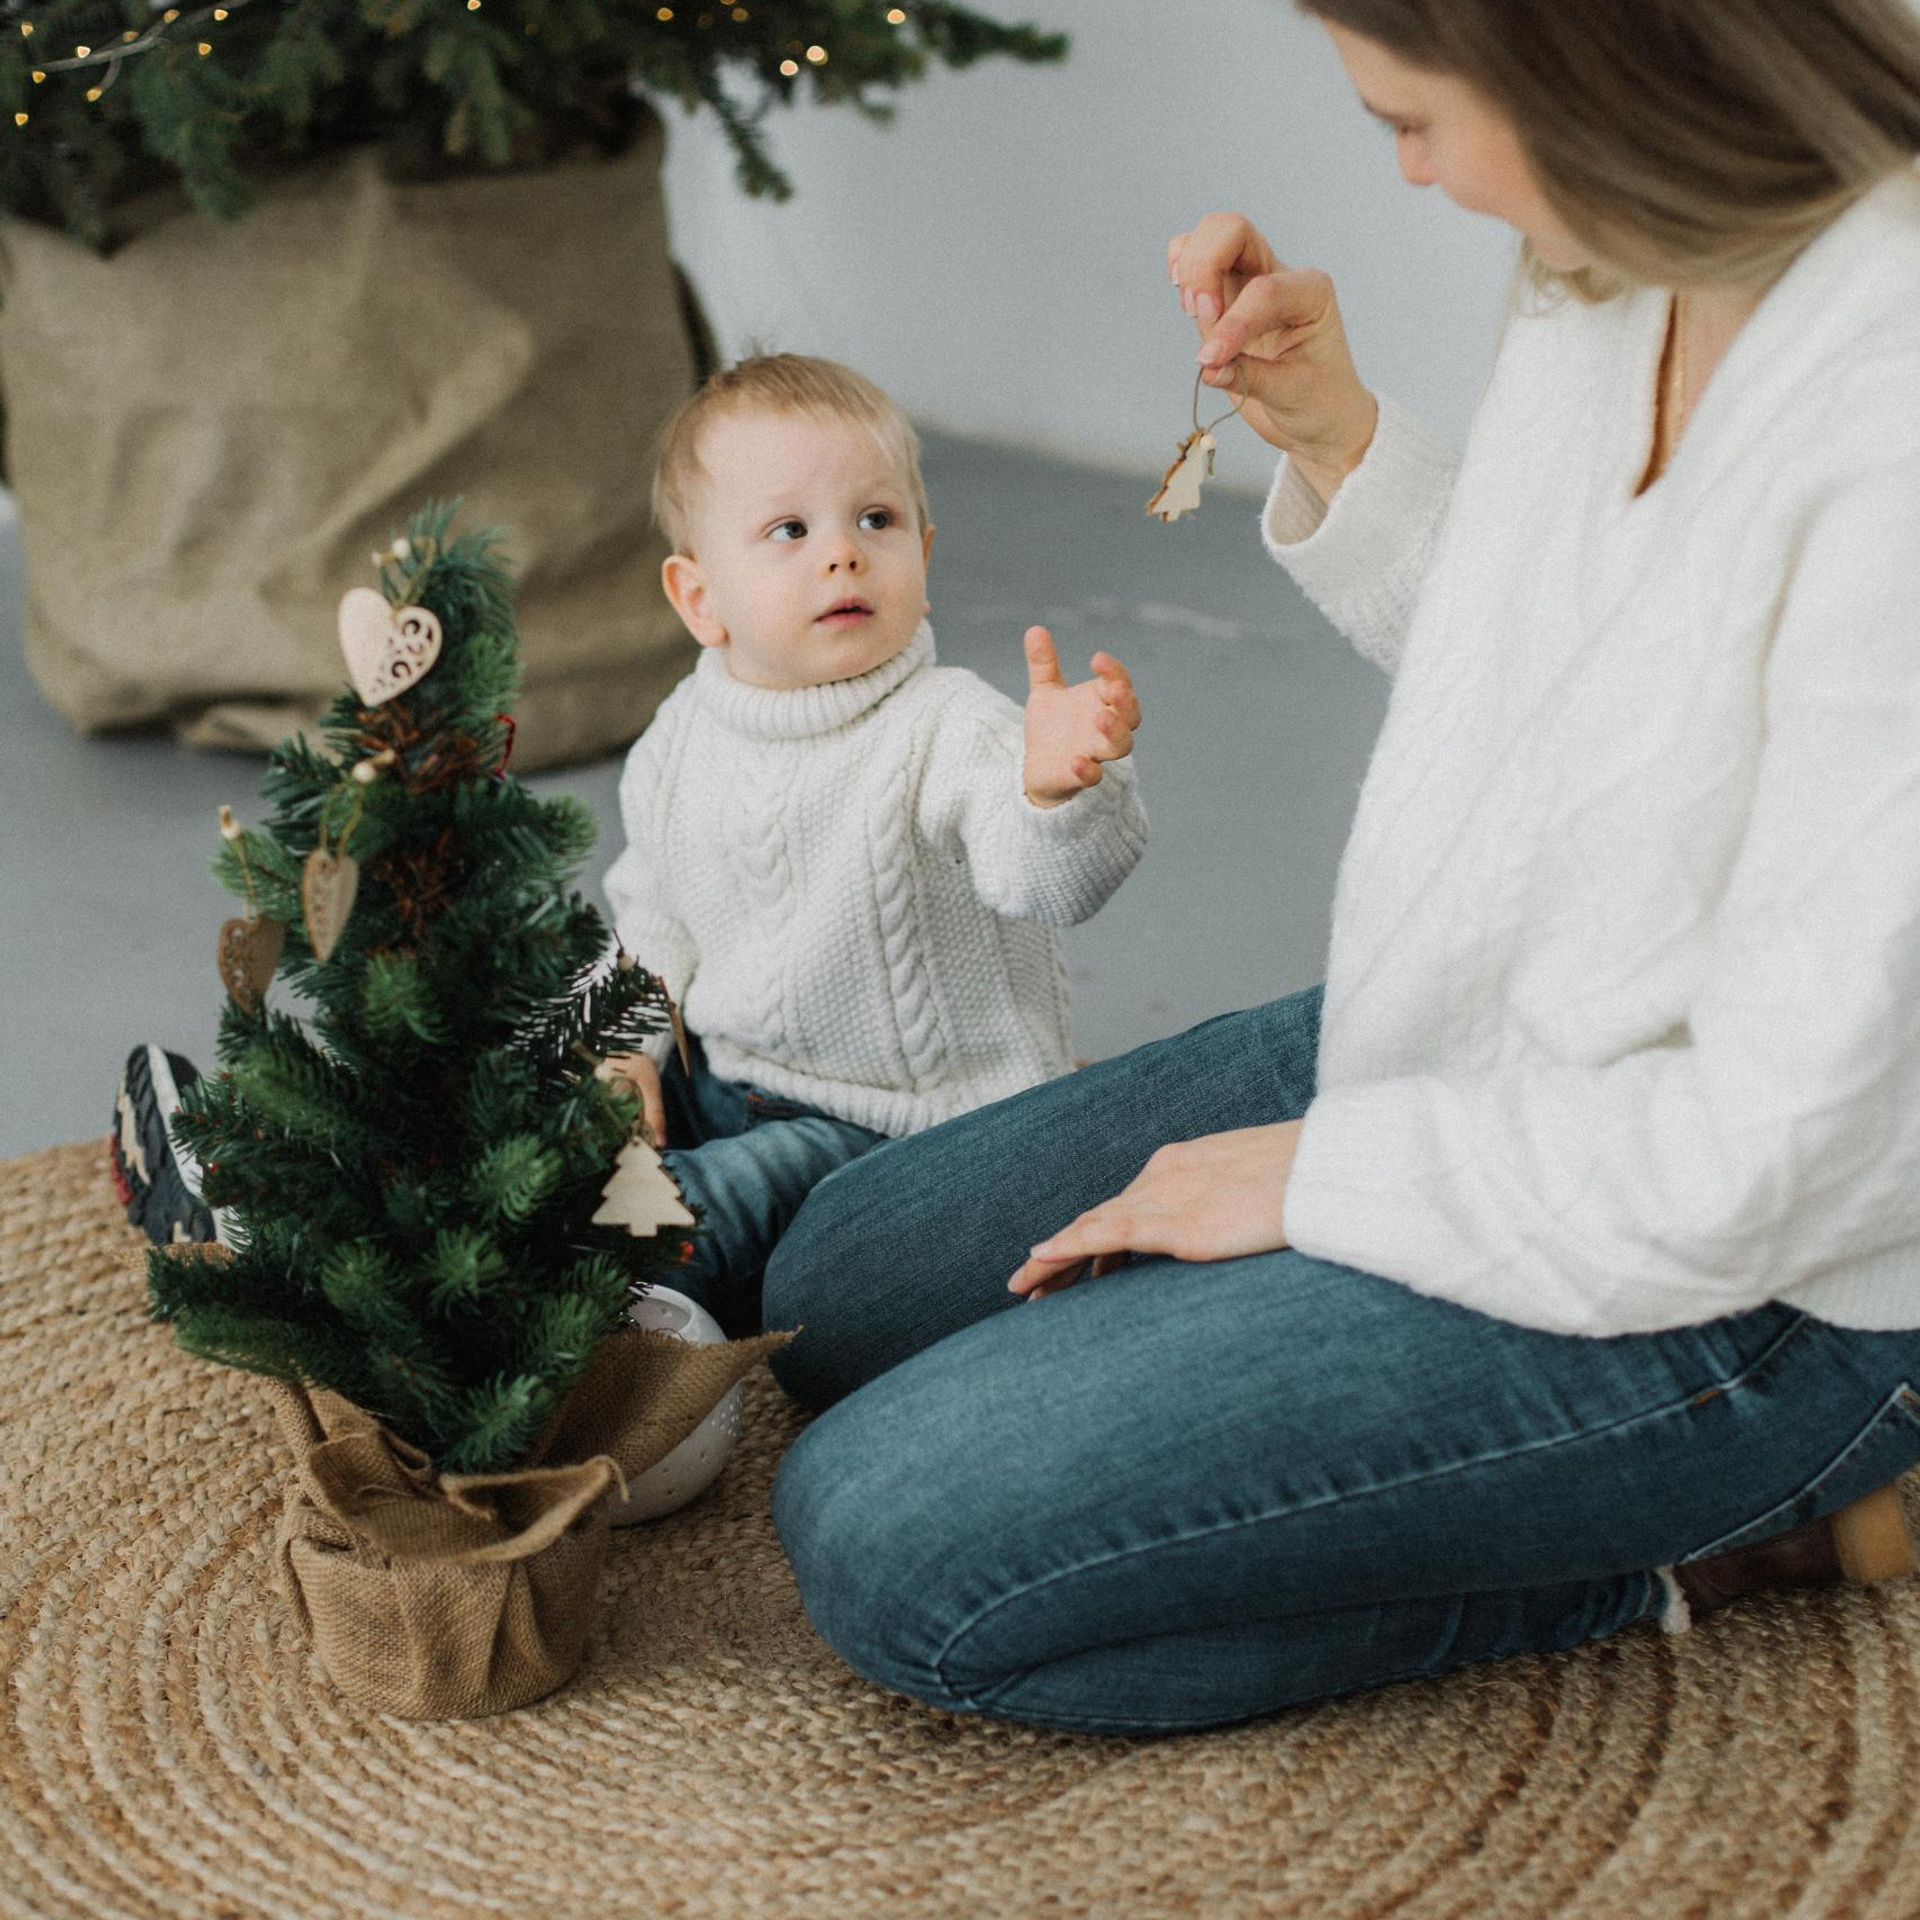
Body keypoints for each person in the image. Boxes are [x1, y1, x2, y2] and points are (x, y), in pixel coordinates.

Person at [757, 0, 1920, 1735]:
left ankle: (1781, 1531)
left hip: (1785, 1268)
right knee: (831, 1291)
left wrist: (1324, 1182)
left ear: (1590, 61)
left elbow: (1770, 1150)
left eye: (1411, 113)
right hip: (1532, 1034)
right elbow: (1571, 689)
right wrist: (1338, 434)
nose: (1403, 166)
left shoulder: (1887, 420)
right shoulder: (1620, 263)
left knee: (898, 1546)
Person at [596, 354, 1148, 1335]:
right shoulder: (678, 740)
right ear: (700, 598)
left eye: (876, 521)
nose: (842, 555)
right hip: (724, 1071)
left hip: (897, 1126)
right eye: (789, 531)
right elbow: (656, 914)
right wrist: (622, 1049)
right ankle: (351, 1211)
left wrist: (1058, 790)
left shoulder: (951, 728)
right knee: (550, 1089)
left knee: (706, 1208)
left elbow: (1048, 881)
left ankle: (613, 1326)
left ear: (923, 556)